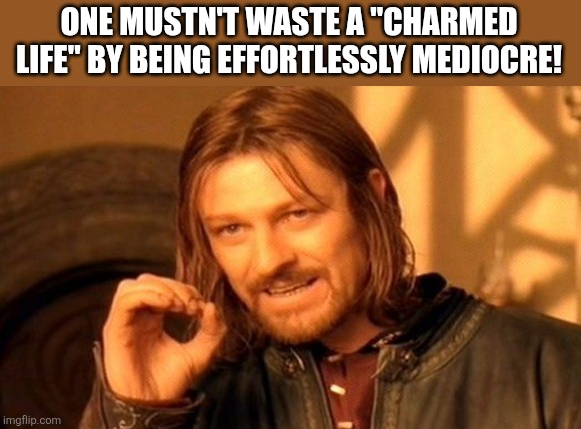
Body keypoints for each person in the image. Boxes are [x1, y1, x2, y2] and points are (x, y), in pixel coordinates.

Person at [80, 87, 581, 429]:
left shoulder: (554, 366)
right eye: (232, 229)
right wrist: (137, 413)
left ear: (375, 200)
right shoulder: (198, 402)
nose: (268, 261)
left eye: (297, 214)